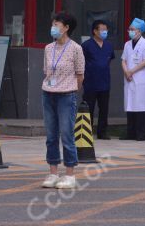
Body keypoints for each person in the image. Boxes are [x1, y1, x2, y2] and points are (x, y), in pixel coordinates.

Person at [41, 12, 85, 190]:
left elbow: (80, 74)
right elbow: (46, 71)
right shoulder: (48, 48)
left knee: (67, 134)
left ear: (66, 28)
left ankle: (69, 174)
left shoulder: (76, 48)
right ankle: (53, 172)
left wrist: (72, 90)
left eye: (57, 24)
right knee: (51, 135)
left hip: (67, 95)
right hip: (48, 93)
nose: (54, 27)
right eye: (53, 24)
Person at [81, 20, 114, 140]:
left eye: (106, 30)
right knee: (88, 108)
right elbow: (81, 62)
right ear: (95, 31)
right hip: (90, 82)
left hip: (104, 82)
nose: (105, 32)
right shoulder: (86, 45)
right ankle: (86, 132)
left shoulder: (108, 45)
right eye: (102, 30)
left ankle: (102, 132)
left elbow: (109, 60)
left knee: (104, 109)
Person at [122, 18, 145, 141]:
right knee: (130, 106)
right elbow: (123, 60)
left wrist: (131, 71)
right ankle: (131, 133)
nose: (130, 31)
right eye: (129, 29)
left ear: (139, 31)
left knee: (140, 106)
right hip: (129, 78)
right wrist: (126, 72)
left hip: (140, 79)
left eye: (132, 29)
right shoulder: (127, 44)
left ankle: (141, 134)